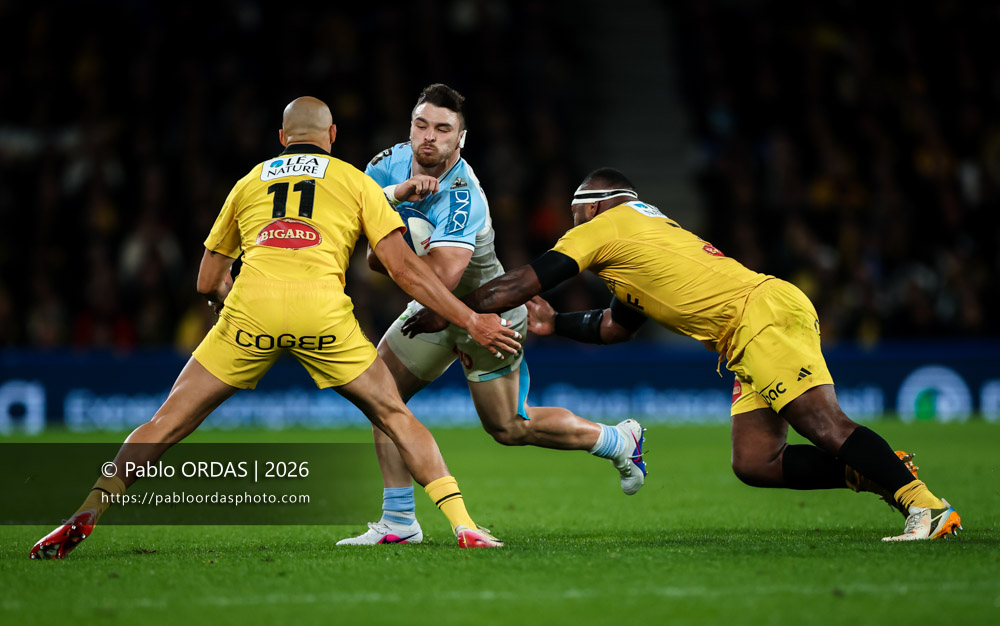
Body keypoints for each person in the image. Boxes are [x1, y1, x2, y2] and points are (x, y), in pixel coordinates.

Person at [30, 96, 522, 559]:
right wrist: (469, 318)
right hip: (321, 312)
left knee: (166, 422)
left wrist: (243, 313)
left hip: (252, 309)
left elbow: (207, 279)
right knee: (394, 413)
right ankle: (463, 523)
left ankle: (89, 507)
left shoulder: (248, 182)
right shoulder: (356, 180)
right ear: (332, 134)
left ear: (282, 136)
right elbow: (405, 270)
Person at [401, 167, 963, 542]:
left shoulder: (610, 225)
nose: (572, 230)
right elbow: (616, 327)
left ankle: (926, 505)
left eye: (576, 217)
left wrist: (444, 307)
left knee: (824, 424)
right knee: (756, 463)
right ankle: (880, 472)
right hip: (751, 328)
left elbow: (520, 282)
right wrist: (557, 324)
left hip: (757, 317)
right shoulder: (644, 244)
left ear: (595, 207)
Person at [337, 85, 645, 546]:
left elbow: (432, 274)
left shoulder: (464, 196)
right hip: (433, 309)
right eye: (422, 125)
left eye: (443, 130)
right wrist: (393, 203)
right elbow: (353, 223)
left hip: (489, 312)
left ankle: (618, 441)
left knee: (508, 427)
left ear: (460, 139)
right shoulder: (384, 167)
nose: (429, 138)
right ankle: (399, 521)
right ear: (410, 127)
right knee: (379, 397)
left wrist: (385, 239)